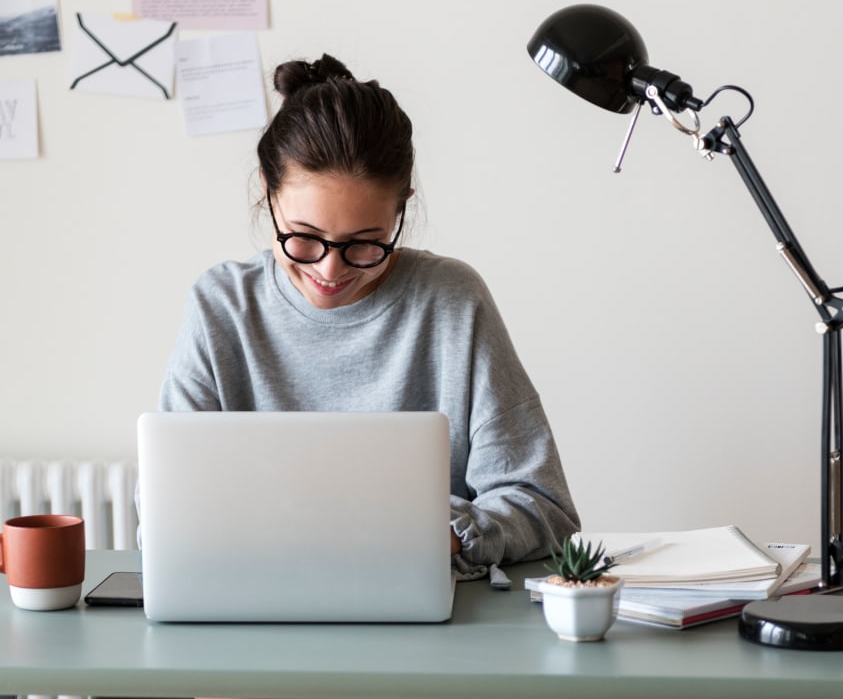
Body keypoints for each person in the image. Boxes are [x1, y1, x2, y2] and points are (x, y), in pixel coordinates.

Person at [157, 53, 580, 573]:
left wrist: (441, 534)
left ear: (399, 212)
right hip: (252, 602)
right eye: (304, 238)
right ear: (268, 196)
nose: (331, 270)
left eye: (365, 244)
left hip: (424, 622)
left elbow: (543, 506)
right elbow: (164, 506)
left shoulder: (453, 301)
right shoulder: (221, 306)